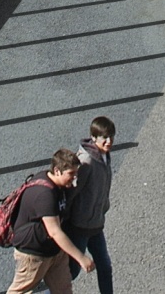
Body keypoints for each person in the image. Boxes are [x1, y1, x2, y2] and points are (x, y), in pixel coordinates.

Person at [6, 148, 95, 294]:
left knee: (64, 290)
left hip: (54, 251)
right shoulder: (45, 195)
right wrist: (81, 258)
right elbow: (54, 231)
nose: (74, 179)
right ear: (57, 171)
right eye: (71, 174)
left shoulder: (57, 185)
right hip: (34, 254)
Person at [64, 117, 115, 294]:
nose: (109, 142)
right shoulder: (86, 162)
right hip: (80, 226)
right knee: (71, 272)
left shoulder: (104, 155)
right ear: (93, 137)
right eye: (104, 138)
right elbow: (72, 192)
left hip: (95, 224)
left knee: (105, 267)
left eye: (111, 137)